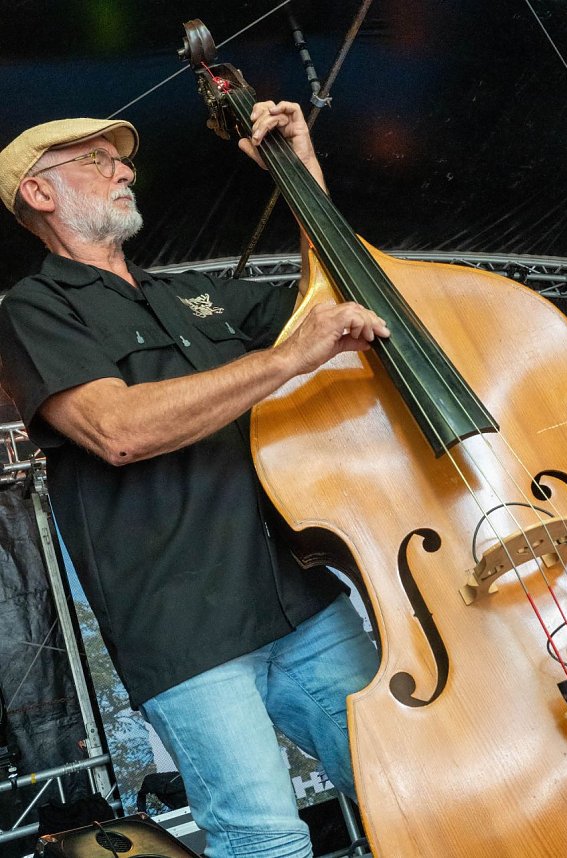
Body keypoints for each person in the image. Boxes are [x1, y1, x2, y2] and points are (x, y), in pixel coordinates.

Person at [0, 102, 390, 858]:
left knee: (412, 783)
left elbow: (333, 297)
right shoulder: (33, 308)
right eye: (95, 160)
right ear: (40, 195)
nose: (123, 169)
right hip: (185, 633)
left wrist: (301, 175)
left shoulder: (185, 296)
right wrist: (283, 360)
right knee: (267, 840)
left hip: (298, 602)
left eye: (122, 160)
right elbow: (117, 431)